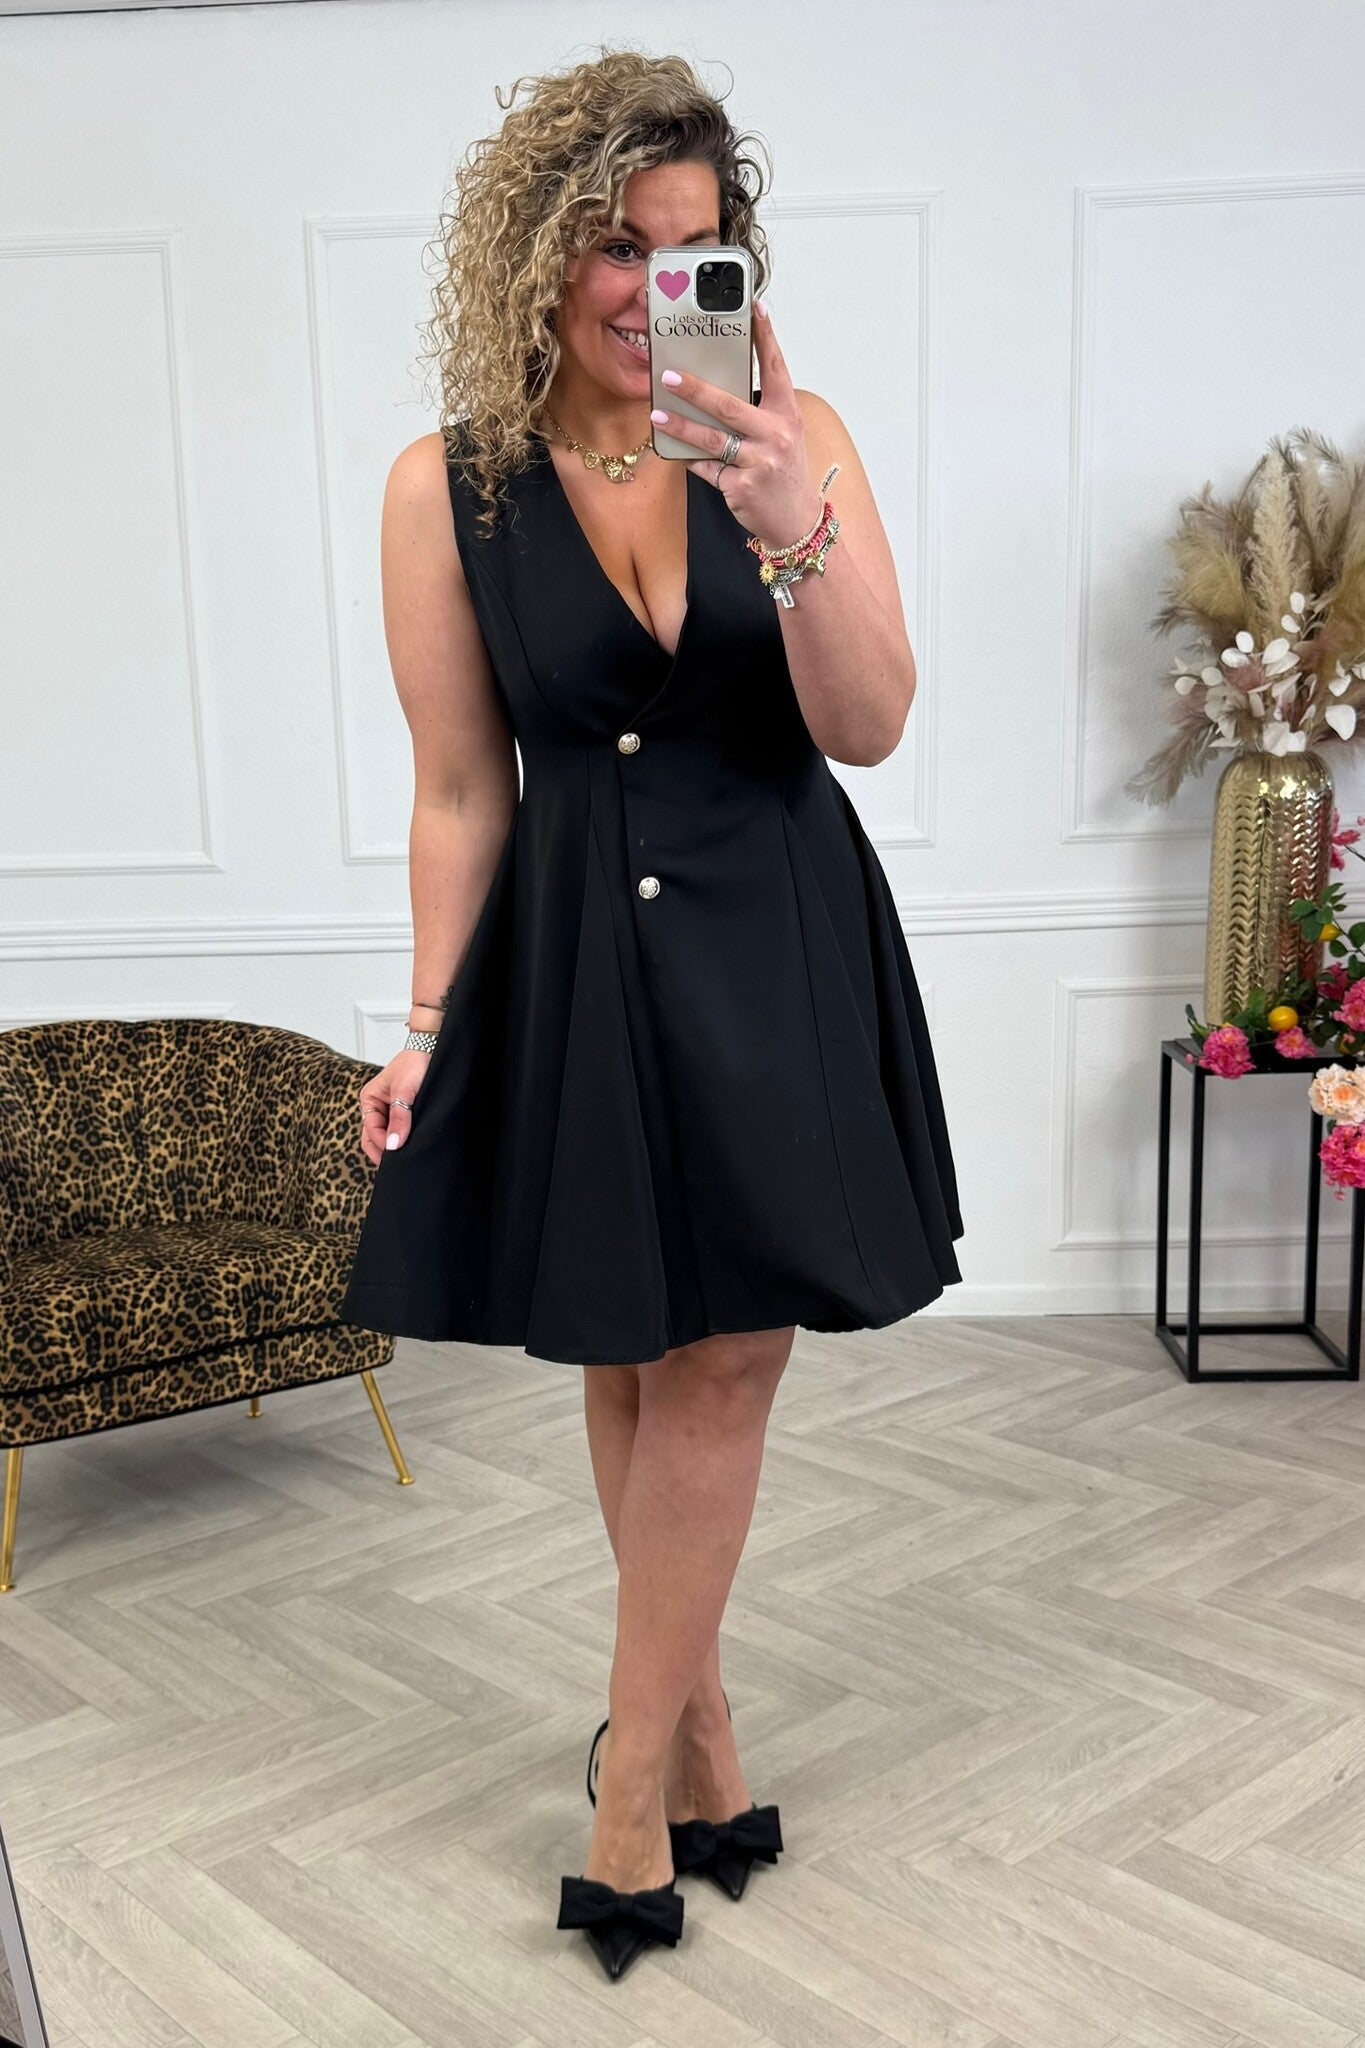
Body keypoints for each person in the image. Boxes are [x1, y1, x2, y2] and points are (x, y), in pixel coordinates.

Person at [338, 46, 964, 1982]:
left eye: (691, 252)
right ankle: (693, 1729)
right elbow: (462, 787)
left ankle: (627, 1785)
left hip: (773, 929)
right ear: (537, 252)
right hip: (577, 958)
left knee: (724, 1355)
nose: (648, 289)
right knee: (631, 1349)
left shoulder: (795, 434)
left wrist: (785, 516)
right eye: (616, 245)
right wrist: (425, 1023)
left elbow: (866, 723)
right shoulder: (447, 486)